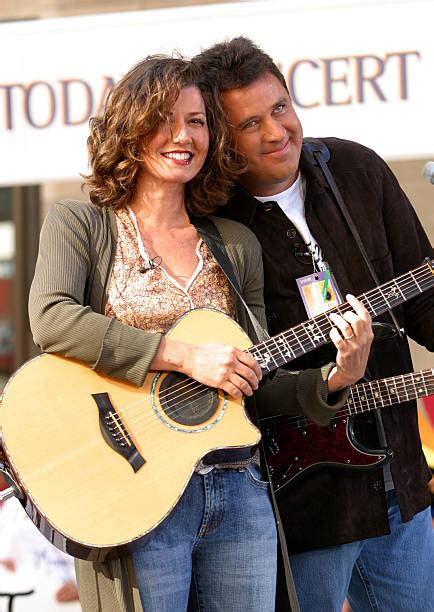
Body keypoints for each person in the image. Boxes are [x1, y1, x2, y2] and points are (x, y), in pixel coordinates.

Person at [27, 55, 371, 611]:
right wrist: (183, 356)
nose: (183, 135)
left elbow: (258, 376)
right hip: (137, 488)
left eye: (197, 121)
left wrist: (336, 377)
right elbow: (53, 318)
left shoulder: (234, 243)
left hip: (238, 490)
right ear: (129, 126)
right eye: (165, 118)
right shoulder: (81, 223)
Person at [194, 37, 434, 612]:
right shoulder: (213, 227)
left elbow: (424, 302)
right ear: (223, 142)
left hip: (401, 475)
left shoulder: (354, 168)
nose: (277, 132)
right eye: (251, 123)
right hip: (305, 496)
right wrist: (331, 377)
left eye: (280, 108)